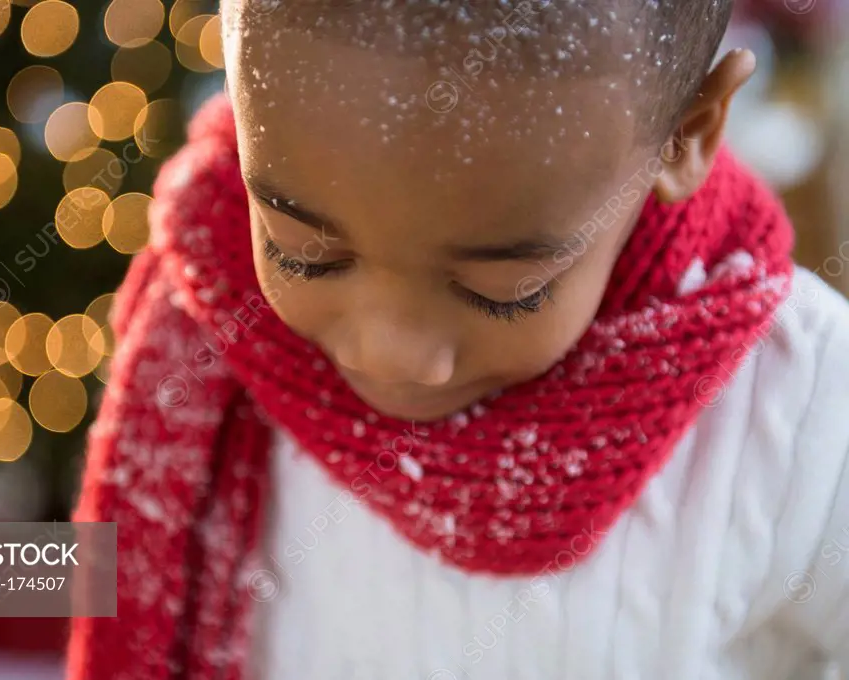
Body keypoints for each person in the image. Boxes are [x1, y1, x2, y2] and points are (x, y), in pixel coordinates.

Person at [68, 1, 849, 678]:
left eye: (501, 291)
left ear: (688, 132)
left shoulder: (802, 400)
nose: (389, 352)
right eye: (300, 251)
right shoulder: (204, 322)